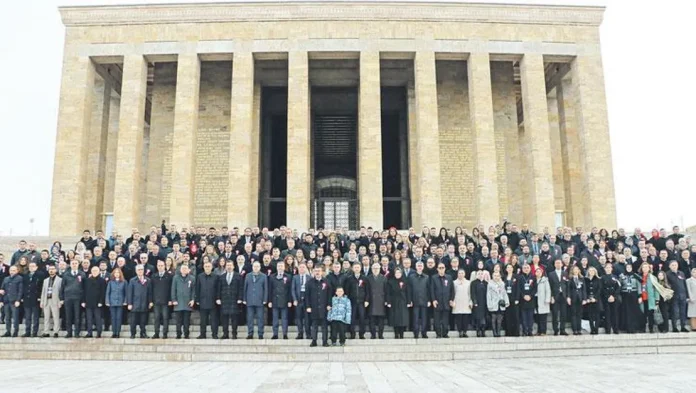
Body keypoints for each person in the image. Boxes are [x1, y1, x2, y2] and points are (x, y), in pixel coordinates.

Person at [217, 259, 243, 339]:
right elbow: (219, 289)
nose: (229, 267)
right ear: (225, 267)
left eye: (230, 265)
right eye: (227, 265)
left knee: (234, 318)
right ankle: (225, 334)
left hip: (234, 300)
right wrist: (218, 298)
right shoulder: (221, 277)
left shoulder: (238, 276)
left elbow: (241, 288)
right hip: (224, 300)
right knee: (224, 318)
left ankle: (234, 334)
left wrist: (240, 298)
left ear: (233, 266)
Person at [59, 260, 86, 338]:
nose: (74, 265)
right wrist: (61, 298)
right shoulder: (66, 274)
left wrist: (83, 299)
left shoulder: (82, 274)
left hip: (78, 298)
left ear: (78, 264)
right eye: (73, 263)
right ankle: (69, 332)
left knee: (77, 316)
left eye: (76, 263)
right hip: (68, 298)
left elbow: (84, 287)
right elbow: (62, 287)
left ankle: (77, 333)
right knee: (68, 316)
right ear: (70, 265)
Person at [306, 266, 331, 347]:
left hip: (324, 307)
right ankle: (314, 341)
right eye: (316, 271)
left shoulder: (326, 281)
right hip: (314, 307)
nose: (317, 272)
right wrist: (308, 306)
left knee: (324, 326)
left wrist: (329, 304)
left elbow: (329, 294)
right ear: (313, 272)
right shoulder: (310, 282)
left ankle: (325, 341)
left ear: (322, 272)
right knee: (314, 326)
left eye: (319, 271)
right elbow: (307, 296)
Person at [345, 262, 370, 339]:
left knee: (362, 318)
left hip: (362, 302)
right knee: (352, 318)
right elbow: (347, 291)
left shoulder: (365, 278)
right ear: (352, 268)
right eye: (355, 267)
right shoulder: (349, 278)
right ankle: (352, 333)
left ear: (360, 268)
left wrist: (367, 300)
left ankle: (361, 334)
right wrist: (347, 301)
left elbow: (367, 291)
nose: (356, 269)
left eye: (358, 267)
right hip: (352, 302)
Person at [127, 264, 153, 339]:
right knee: (133, 321)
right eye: (138, 270)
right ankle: (133, 334)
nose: (140, 271)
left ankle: (143, 333)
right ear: (136, 271)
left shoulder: (148, 280)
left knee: (143, 321)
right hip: (135, 304)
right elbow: (130, 293)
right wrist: (129, 303)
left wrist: (150, 301)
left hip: (144, 304)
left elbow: (150, 292)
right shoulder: (132, 280)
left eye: (141, 269)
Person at [268, 261, 292, 339]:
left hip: (284, 301)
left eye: (282, 266)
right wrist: (270, 301)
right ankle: (275, 334)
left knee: (284, 318)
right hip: (274, 300)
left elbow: (289, 290)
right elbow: (270, 290)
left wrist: (289, 301)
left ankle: (285, 334)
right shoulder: (272, 276)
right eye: (279, 266)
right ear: (277, 267)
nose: (280, 267)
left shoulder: (288, 276)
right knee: (275, 318)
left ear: (284, 267)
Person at [243, 261, 267, 339]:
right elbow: (245, 288)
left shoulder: (263, 276)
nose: (256, 268)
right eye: (254, 266)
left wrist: (265, 299)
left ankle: (260, 333)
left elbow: (265, 289)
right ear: (252, 267)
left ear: (260, 267)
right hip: (250, 300)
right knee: (249, 318)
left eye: (257, 266)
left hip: (260, 300)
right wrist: (244, 298)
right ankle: (250, 333)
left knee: (260, 318)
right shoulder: (248, 276)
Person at [430, 262, 454, 338]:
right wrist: (433, 300)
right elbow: (432, 290)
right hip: (437, 302)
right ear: (437, 269)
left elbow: (452, 290)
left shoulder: (449, 277)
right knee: (437, 319)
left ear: (445, 269)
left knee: (445, 319)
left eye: (442, 268)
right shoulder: (434, 278)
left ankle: (445, 333)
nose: (441, 269)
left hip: (446, 302)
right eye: (439, 268)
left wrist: (451, 299)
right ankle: (438, 333)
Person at [196, 261, 219, 339]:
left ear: (212, 267)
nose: (207, 268)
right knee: (203, 320)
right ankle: (202, 334)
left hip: (213, 302)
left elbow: (218, 289)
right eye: (206, 266)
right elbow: (197, 289)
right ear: (203, 267)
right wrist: (197, 300)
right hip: (203, 301)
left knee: (213, 320)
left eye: (209, 266)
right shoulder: (200, 276)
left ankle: (214, 334)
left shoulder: (216, 276)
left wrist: (217, 298)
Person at [171, 264, 195, 339]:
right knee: (178, 321)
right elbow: (173, 289)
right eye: (183, 268)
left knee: (186, 320)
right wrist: (174, 299)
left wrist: (192, 299)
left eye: (185, 269)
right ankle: (178, 334)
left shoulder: (192, 278)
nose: (184, 270)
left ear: (188, 270)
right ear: (180, 270)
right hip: (178, 302)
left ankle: (186, 334)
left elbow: (193, 290)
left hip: (188, 303)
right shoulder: (176, 278)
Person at [151, 260, 173, 339]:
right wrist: (151, 300)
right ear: (157, 266)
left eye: (162, 265)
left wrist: (171, 299)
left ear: (164, 266)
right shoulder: (154, 276)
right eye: (159, 266)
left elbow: (171, 288)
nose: (160, 267)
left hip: (166, 301)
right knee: (156, 318)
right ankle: (156, 333)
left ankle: (165, 333)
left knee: (165, 317)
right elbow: (151, 289)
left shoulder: (169, 276)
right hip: (156, 301)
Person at [408, 261, 431, 339]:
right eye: (418, 266)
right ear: (416, 267)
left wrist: (429, 300)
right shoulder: (411, 277)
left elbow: (429, 290)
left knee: (424, 318)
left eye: (421, 266)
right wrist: (410, 300)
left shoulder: (427, 277)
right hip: (415, 301)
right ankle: (416, 333)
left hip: (424, 300)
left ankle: (424, 333)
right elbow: (409, 289)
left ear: (423, 267)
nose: (420, 267)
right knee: (415, 318)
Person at [386, 268, 410, 339]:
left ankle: (402, 334)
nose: (397, 274)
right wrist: (388, 301)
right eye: (396, 273)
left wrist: (409, 301)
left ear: (401, 274)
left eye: (399, 273)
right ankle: (396, 334)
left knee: (402, 319)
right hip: (394, 302)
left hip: (403, 301)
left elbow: (408, 292)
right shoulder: (390, 282)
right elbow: (388, 293)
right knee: (395, 319)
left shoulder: (405, 281)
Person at [0, 266, 23, 337]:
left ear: (17, 271)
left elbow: (20, 290)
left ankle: (15, 331)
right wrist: (1, 300)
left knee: (15, 317)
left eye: (14, 270)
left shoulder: (19, 278)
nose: (12, 272)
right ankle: (8, 331)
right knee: (7, 318)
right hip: (6, 301)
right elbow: (2, 290)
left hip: (14, 301)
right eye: (11, 270)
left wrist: (18, 300)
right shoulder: (6, 278)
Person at [40, 265, 62, 338]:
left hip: (55, 300)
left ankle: (56, 331)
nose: (51, 270)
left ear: (56, 270)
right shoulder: (45, 280)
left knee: (56, 317)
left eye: (53, 269)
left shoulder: (60, 280)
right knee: (46, 317)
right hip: (47, 300)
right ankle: (46, 332)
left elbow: (60, 291)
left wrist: (60, 301)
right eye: (50, 269)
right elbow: (43, 291)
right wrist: (42, 301)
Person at [366, 263, 388, 339]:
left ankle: (380, 335)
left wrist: (386, 300)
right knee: (371, 320)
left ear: (380, 269)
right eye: (374, 268)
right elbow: (367, 291)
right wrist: (367, 300)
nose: (375, 270)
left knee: (381, 320)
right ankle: (373, 335)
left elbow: (386, 291)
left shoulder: (384, 278)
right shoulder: (368, 278)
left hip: (381, 301)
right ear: (371, 269)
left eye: (377, 268)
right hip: (371, 301)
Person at [667, 260, 689, 332]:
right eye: (672, 265)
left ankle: (683, 327)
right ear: (670, 266)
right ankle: (674, 327)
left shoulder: (681, 273)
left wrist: (687, 296)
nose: (674, 266)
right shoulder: (667, 274)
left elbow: (685, 285)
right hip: (674, 296)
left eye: (675, 265)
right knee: (675, 312)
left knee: (683, 312)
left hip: (683, 295)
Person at [291, 263, 312, 340]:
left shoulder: (309, 277)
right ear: (298, 269)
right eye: (300, 267)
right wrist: (294, 299)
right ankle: (300, 333)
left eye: (303, 267)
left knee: (307, 318)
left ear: (306, 268)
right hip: (298, 299)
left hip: (307, 300)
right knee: (298, 318)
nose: (302, 269)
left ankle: (308, 334)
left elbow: (311, 290)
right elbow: (292, 289)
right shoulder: (295, 277)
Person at [22, 261, 43, 337]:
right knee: (27, 317)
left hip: (36, 299)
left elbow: (41, 287)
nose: (31, 267)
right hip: (27, 299)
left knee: (35, 317)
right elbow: (23, 287)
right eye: (30, 266)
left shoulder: (40, 275)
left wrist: (40, 297)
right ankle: (27, 332)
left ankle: (34, 332)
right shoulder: (25, 275)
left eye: (33, 266)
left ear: (36, 267)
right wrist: (22, 297)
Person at [84, 266, 106, 338]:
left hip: (98, 303)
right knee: (89, 318)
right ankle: (89, 333)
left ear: (99, 272)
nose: (94, 272)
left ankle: (99, 333)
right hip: (88, 302)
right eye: (93, 271)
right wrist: (83, 301)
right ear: (91, 272)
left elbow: (103, 292)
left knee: (98, 318)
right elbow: (84, 291)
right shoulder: (87, 280)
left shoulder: (102, 280)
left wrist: (101, 302)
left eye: (96, 271)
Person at [105, 268, 127, 338]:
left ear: (120, 274)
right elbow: (108, 292)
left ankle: (118, 332)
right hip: (112, 302)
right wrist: (107, 301)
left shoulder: (124, 282)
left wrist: (125, 301)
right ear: (113, 274)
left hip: (120, 302)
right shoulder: (110, 282)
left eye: (118, 272)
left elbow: (126, 293)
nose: (117, 274)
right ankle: (114, 332)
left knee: (119, 318)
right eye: (115, 273)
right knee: (113, 318)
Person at [547, 259, 567, 336]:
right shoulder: (551, 274)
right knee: (555, 314)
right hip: (555, 296)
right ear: (554, 264)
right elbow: (550, 286)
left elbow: (567, 285)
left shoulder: (565, 273)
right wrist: (551, 296)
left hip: (563, 296)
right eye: (556, 263)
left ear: (562, 264)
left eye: (559, 263)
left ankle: (562, 330)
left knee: (563, 314)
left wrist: (568, 296)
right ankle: (555, 330)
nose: (558, 264)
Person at [486, 271, 508, 337]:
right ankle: (494, 332)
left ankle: (498, 332)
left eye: (498, 276)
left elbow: (504, 293)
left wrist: (506, 302)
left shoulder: (502, 284)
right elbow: (488, 295)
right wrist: (489, 304)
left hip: (500, 303)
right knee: (493, 318)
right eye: (495, 276)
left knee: (499, 319)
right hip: (493, 303)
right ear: (492, 276)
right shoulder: (490, 284)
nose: (496, 277)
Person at [620, 263, 641, 334]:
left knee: (633, 311)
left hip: (634, 294)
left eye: (630, 267)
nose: (628, 268)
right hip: (625, 295)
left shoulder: (635, 275)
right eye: (627, 267)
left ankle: (634, 327)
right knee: (626, 311)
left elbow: (639, 285)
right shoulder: (622, 276)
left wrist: (639, 296)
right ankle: (627, 328)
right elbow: (619, 285)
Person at [638, 262, 658, 333]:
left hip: (650, 299)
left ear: (649, 268)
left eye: (647, 267)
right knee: (642, 315)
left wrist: (657, 300)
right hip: (642, 299)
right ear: (641, 268)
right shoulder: (639, 277)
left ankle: (651, 329)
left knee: (650, 315)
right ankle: (642, 329)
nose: (645, 268)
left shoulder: (653, 278)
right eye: (643, 267)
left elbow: (656, 289)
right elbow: (638, 288)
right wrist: (639, 296)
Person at [519, 263, 537, 337]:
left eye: (527, 267)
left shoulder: (533, 277)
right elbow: (519, 289)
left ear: (530, 269)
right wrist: (523, 296)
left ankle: (530, 331)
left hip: (531, 300)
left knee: (530, 317)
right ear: (522, 269)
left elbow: (535, 288)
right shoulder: (520, 277)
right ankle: (524, 331)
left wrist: (530, 296)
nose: (526, 269)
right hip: (522, 300)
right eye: (524, 268)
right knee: (523, 317)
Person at [452, 269, 472, 337]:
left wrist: (470, 302)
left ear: (464, 274)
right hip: (457, 302)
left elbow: (470, 293)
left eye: (462, 273)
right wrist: (453, 302)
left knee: (465, 318)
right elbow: (453, 293)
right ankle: (460, 331)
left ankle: (465, 331)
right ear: (457, 274)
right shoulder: (454, 282)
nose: (461, 274)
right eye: (459, 273)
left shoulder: (468, 282)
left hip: (466, 302)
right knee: (459, 318)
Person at [503, 263, 521, 337]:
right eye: (508, 267)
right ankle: (509, 332)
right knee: (507, 316)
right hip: (507, 299)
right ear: (506, 269)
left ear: (513, 269)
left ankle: (516, 332)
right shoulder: (504, 277)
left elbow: (518, 288)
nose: (509, 268)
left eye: (511, 267)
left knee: (515, 316)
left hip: (514, 299)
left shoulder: (516, 277)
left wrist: (517, 298)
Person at [471, 270, 488, 337]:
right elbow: (473, 293)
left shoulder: (486, 283)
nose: (480, 275)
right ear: (476, 275)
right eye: (479, 274)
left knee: (484, 317)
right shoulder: (473, 283)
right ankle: (478, 330)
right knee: (478, 317)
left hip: (484, 303)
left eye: (481, 274)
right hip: (477, 303)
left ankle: (483, 330)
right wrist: (474, 301)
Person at [584, 266, 602, 335]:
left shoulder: (598, 279)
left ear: (595, 272)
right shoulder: (585, 280)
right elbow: (585, 290)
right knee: (590, 315)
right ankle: (592, 329)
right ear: (588, 272)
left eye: (593, 271)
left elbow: (599, 290)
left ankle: (596, 329)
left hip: (596, 300)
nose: (591, 272)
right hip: (589, 300)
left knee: (597, 315)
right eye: (590, 271)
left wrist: (595, 298)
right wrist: (587, 298)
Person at [535, 267, 551, 336]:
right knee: (537, 317)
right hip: (535, 300)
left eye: (539, 272)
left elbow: (548, 290)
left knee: (543, 317)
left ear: (542, 273)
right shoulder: (533, 280)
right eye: (537, 272)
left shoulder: (545, 280)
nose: (538, 273)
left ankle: (543, 331)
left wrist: (547, 299)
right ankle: (539, 331)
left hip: (543, 300)